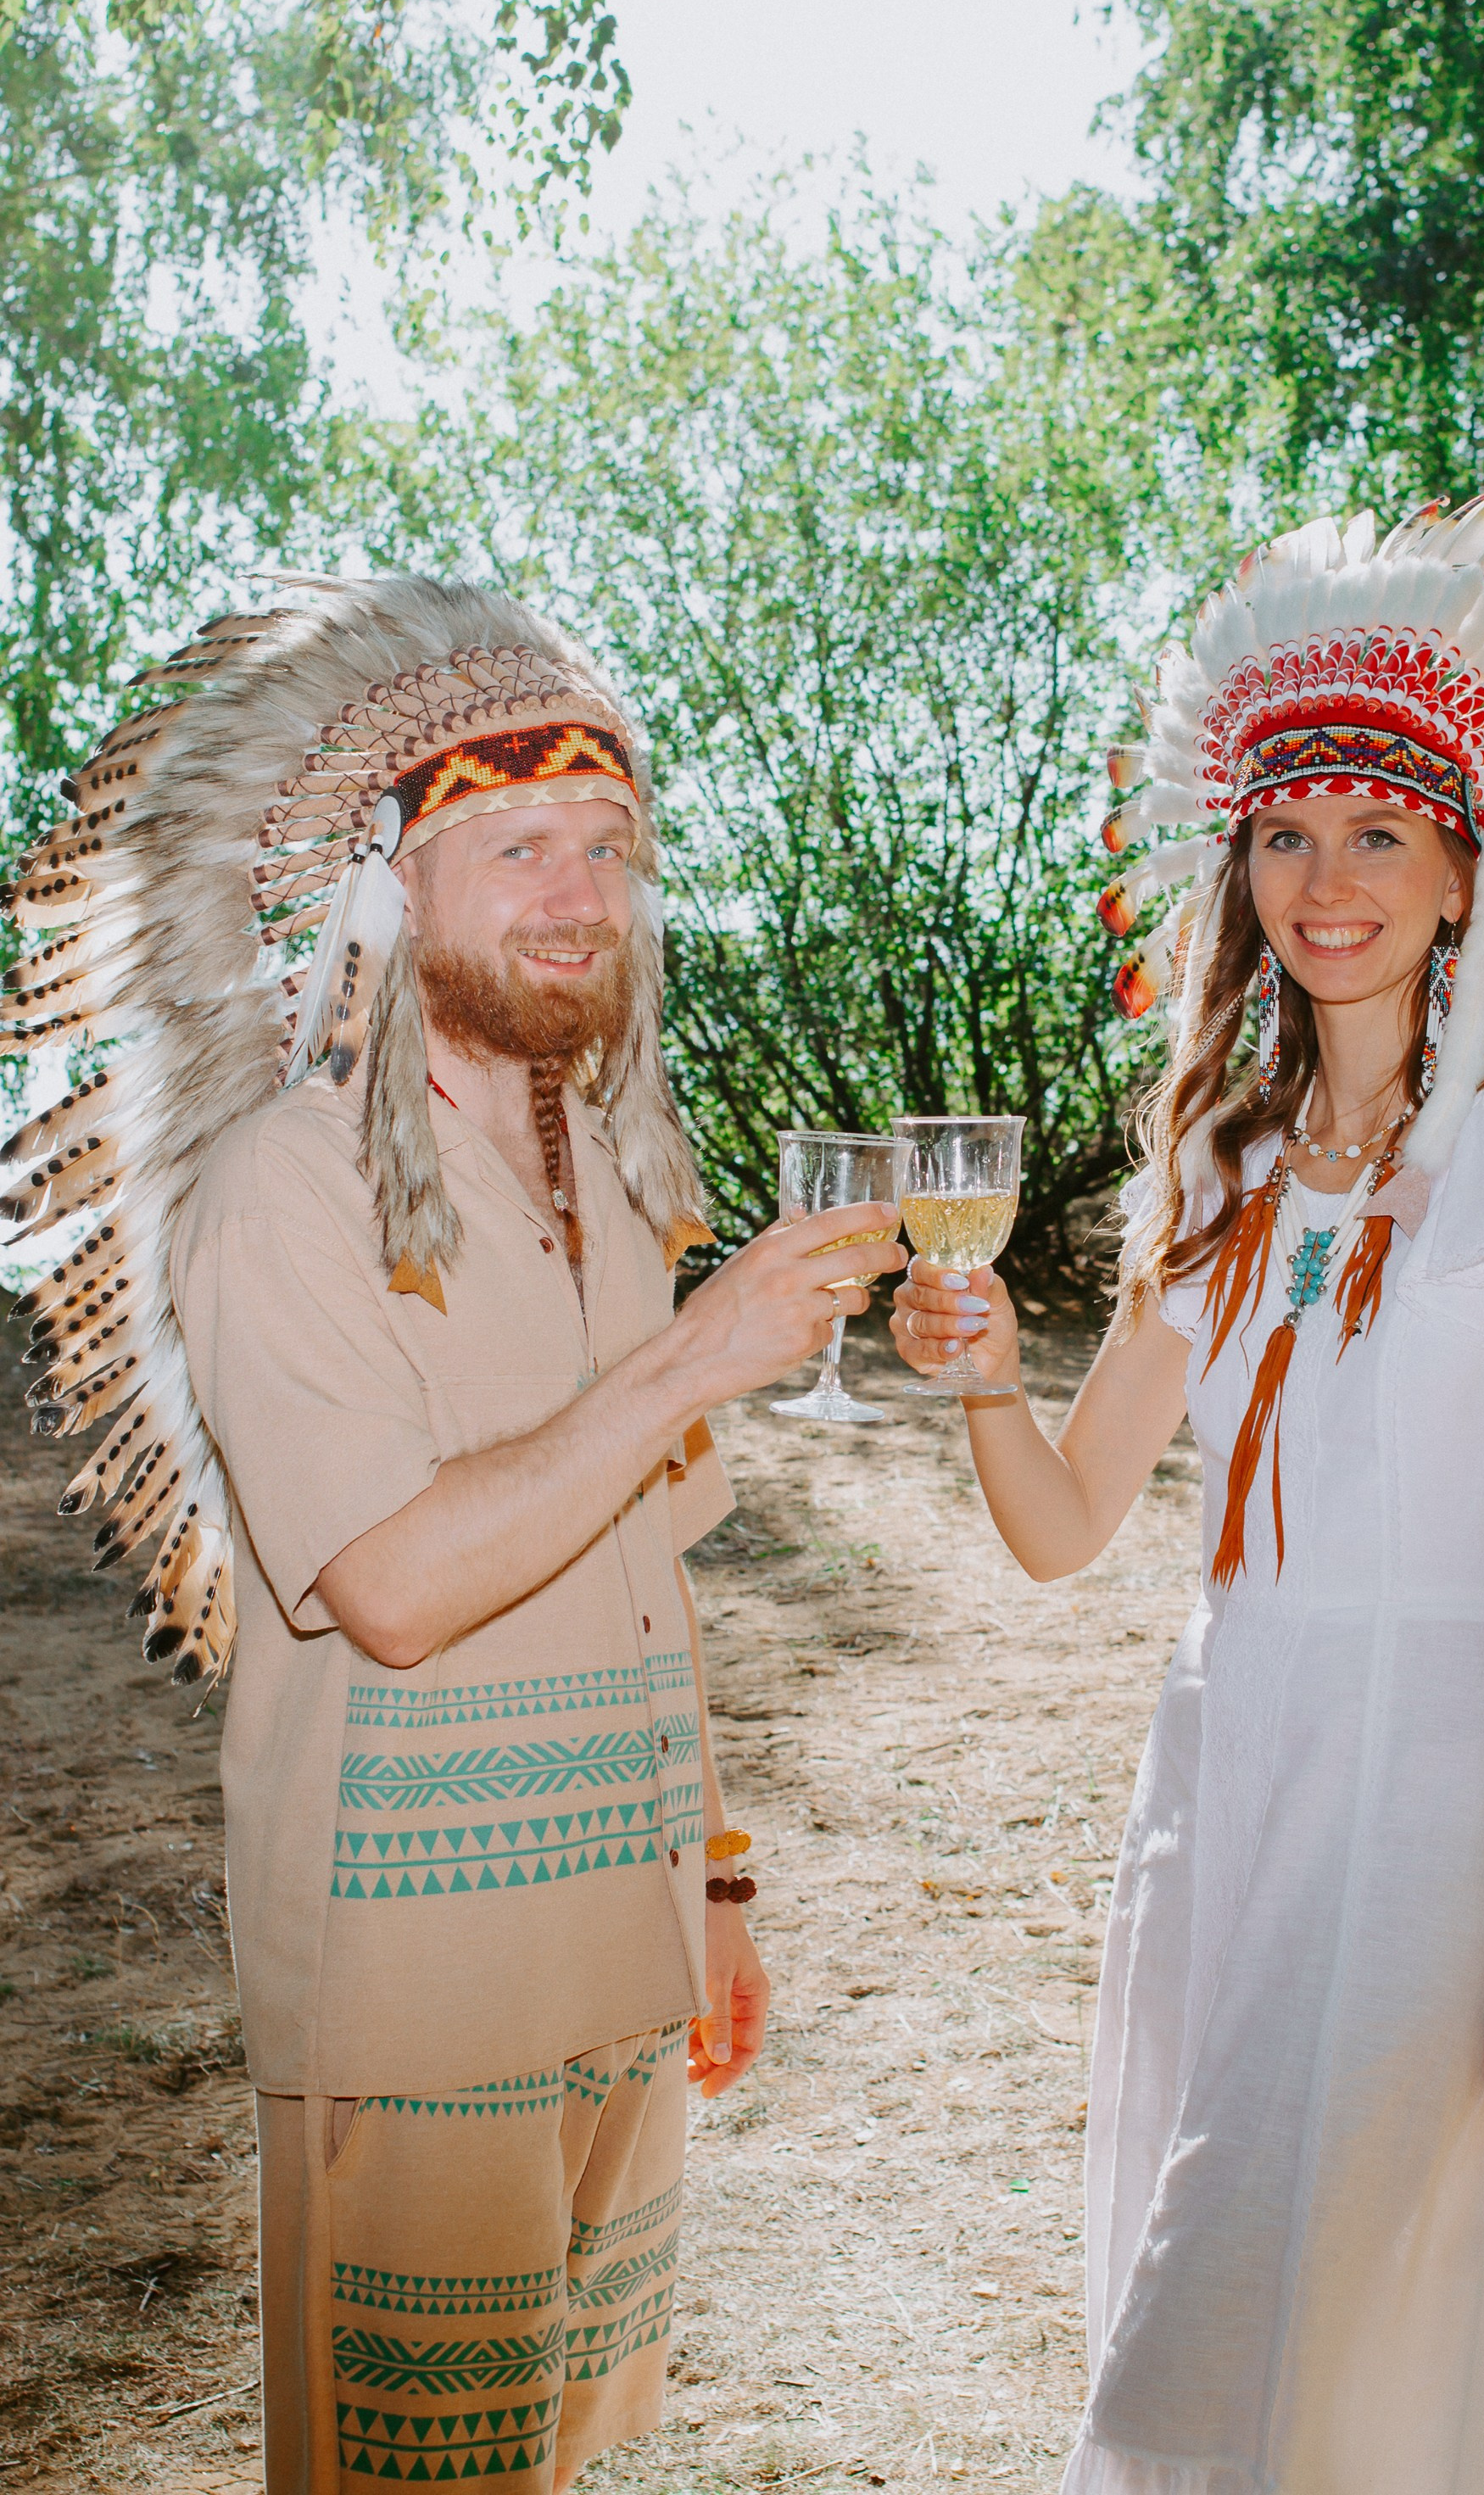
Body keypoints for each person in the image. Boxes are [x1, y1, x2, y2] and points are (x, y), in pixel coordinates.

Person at [2, 581, 903, 2489]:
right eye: (511, 847)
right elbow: (392, 1593)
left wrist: (719, 1889)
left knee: (557, 2460)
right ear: (388, 891)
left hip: (617, 1940)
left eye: (605, 845)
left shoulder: (620, 1175)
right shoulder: (286, 1190)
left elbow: (645, 1579)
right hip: (420, 1977)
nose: (576, 892)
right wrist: (691, 1363)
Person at [892, 466, 1484, 2492]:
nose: (1326, 876)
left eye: (1377, 832)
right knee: (1185, 2241)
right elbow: (1069, 1531)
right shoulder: (1215, 1171)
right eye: (1286, 835)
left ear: (1455, 867)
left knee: (1252, 2315)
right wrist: (982, 1380)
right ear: (1241, 870)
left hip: (1430, 1777)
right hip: (1216, 1761)